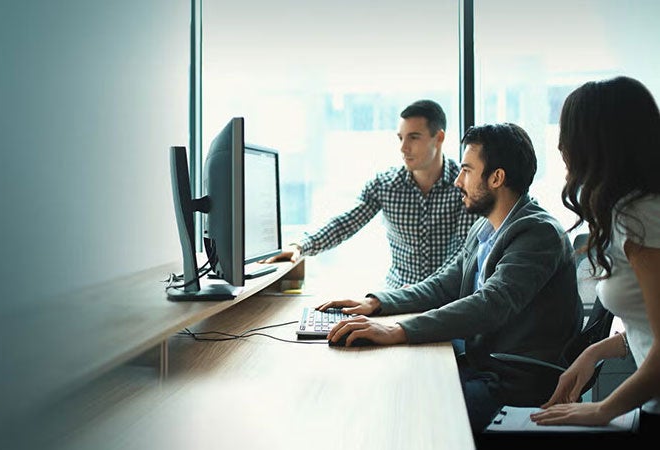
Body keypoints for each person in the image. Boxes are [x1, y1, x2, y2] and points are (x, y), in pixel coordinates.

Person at [319, 123, 582, 433]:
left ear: (496, 178)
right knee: (389, 385)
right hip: (483, 367)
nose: (458, 181)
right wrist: (377, 303)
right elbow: (445, 283)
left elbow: (491, 304)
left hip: (513, 383)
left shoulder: (538, 233)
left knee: (403, 413)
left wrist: (398, 330)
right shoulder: (486, 228)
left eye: (468, 171)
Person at [529, 76, 660, 435]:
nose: (560, 146)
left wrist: (603, 409)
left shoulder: (641, 216)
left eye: (568, 133)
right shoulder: (629, 210)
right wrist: (594, 352)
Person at [260, 100, 477, 289]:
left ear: (438, 138)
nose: (403, 148)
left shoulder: (464, 185)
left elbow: (460, 253)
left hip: (445, 298)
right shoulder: (385, 184)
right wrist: (300, 246)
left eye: (414, 138)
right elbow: (345, 223)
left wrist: (423, 292)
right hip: (395, 295)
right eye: (400, 138)